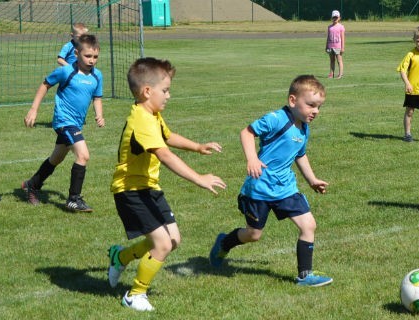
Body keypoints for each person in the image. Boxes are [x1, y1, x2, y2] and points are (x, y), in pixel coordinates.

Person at [106, 57, 227, 312]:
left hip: (149, 187)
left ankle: (121, 257)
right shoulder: (141, 119)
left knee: (172, 240)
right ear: (147, 91)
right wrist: (199, 179)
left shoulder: (153, 114)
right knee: (161, 243)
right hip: (130, 190)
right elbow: (165, 154)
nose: (169, 96)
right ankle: (135, 294)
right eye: (165, 90)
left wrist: (197, 146)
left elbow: (168, 137)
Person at [209, 75, 333, 287]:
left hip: (286, 188)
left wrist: (311, 179)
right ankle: (224, 242)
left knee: (308, 225)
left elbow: (300, 154)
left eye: (319, 107)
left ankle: (304, 276)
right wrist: (252, 158)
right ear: (293, 101)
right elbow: (247, 133)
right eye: (311, 105)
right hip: (260, 188)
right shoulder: (276, 118)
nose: (315, 111)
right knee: (253, 234)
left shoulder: (304, 127)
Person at [22, 34, 104, 212]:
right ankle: (74, 199)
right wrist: (34, 109)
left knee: (56, 159)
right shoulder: (66, 71)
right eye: (87, 56)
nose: (91, 60)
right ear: (76, 53)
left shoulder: (97, 76)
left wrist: (99, 115)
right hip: (63, 121)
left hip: (76, 123)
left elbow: (97, 98)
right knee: (83, 155)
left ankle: (32, 185)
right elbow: (45, 85)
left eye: (95, 57)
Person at [326, 10, 345, 79]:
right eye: (334, 17)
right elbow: (328, 37)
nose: (335, 19)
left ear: (339, 18)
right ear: (331, 18)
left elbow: (343, 38)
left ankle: (340, 74)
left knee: (339, 60)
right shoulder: (329, 27)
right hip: (330, 46)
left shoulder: (341, 27)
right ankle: (331, 73)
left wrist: (342, 47)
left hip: (338, 47)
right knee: (332, 60)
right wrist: (326, 46)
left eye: (336, 17)